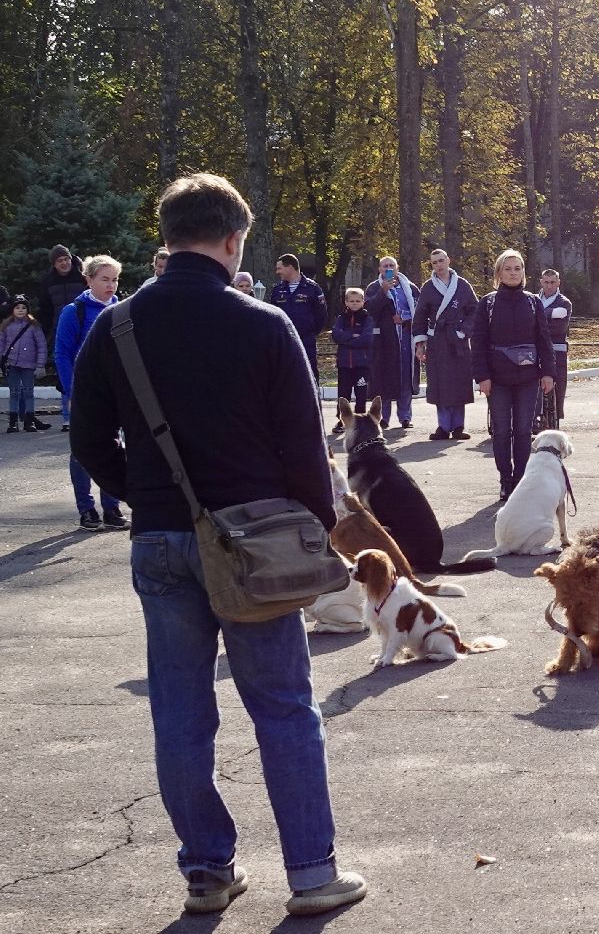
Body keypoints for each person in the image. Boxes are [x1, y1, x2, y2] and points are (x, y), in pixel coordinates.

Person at [67, 172, 366, 916]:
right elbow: (305, 449)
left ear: (165, 239)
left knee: (179, 709)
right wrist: (312, 530)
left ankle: (206, 870)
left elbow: (86, 439)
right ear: (235, 240)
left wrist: (148, 497)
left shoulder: (117, 325)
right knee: (285, 707)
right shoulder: (266, 324)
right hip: (258, 545)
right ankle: (311, 873)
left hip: (163, 540)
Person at [470, 249, 555, 499]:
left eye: (517, 268)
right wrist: (482, 376)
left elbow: (544, 340)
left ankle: (520, 479)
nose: (513, 273)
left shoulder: (533, 301)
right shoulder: (488, 303)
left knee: (522, 430)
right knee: (501, 430)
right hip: (497, 379)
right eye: (508, 269)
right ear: (499, 273)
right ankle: (505, 479)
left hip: (528, 379)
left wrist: (548, 372)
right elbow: (479, 342)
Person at [56, 255, 126, 530]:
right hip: (82, 392)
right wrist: (72, 393)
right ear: (89, 280)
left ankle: (112, 507)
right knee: (82, 452)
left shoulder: (121, 309)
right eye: (105, 279)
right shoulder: (75, 312)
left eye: (115, 279)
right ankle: (86, 509)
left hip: (114, 392)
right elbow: (62, 354)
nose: (111, 285)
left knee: (116, 447)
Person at [414, 248, 478, 441]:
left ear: (448, 260)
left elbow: (475, 311)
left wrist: (463, 330)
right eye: (435, 262)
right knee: (440, 383)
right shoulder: (428, 287)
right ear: (431, 265)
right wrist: (420, 344)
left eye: (442, 261)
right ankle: (443, 426)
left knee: (459, 382)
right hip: (437, 341)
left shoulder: (462, 285)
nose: (439, 265)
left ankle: (458, 426)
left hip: (457, 340)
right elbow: (419, 317)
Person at [363, 255, 417, 429]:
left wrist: (404, 317)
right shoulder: (374, 287)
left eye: (391, 265)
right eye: (384, 266)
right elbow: (368, 310)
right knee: (384, 377)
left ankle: (405, 417)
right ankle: (384, 417)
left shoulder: (410, 287)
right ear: (379, 269)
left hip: (406, 338)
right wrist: (383, 292)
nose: (388, 268)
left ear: (397, 268)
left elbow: (420, 309)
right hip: (384, 341)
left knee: (405, 377)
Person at [38, 244, 86, 426]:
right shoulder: (48, 281)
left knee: (85, 372)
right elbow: (45, 311)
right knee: (65, 375)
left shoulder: (82, 276)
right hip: (60, 332)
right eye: (60, 261)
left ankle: (86, 416)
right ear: (54, 264)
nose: (65, 263)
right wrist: (46, 334)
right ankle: (67, 417)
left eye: (67, 259)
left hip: (83, 330)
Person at [267, 253, 327, 380]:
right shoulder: (277, 289)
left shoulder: (313, 288)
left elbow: (321, 315)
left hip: (306, 340)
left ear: (290, 267)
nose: (277, 272)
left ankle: (312, 399)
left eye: (280, 268)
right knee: (285, 374)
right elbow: (273, 313)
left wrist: (310, 331)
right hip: (284, 340)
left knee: (309, 373)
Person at [328, 288, 374, 435]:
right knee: (343, 394)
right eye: (351, 301)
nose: (354, 304)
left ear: (363, 302)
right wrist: (352, 336)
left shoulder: (368, 319)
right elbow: (336, 335)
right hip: (344, 364)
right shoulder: (341, 318)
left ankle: (360, 421)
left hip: (362, 364)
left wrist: (346, 339)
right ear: (346, 302)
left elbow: (366, 339)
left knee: (361, 394)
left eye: (357, 301)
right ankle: (342, 421)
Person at [4, 295, 49, 432]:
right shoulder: (6, 325)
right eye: (17, 307)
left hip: (28, 365)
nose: (20, 310)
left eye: (24, 308)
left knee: (29, 392)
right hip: (11, 364)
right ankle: (13, 422)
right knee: (14, 392)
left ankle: (29, 421)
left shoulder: (34, 326)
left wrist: (40, 365)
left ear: (28, 310)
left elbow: (41, 345)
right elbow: (1, 345)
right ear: (12, 309)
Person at [538, 268, 573, 420]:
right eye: (546, 282)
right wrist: (551, 314)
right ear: (541, 282)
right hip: (535, 349)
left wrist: (538, 319)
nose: (549, 286)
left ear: (558, 283)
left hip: (557, 350)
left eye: (553, 282)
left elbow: (559, 329)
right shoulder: (533, 299)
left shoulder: (565, 303)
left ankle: (555, 416)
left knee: (558, 383)